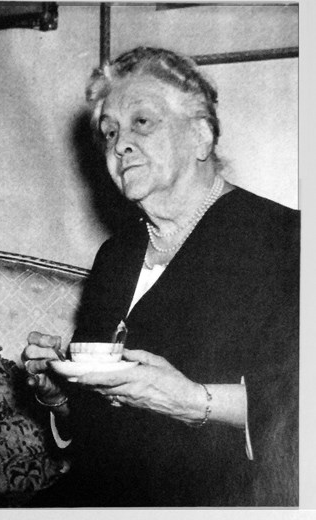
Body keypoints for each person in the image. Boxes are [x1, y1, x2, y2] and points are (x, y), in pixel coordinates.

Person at [22, 47, 299, 507]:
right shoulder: (115, 256)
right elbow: (105, 422)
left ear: (201, 137)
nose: (119, 144)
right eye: (108, 132)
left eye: (141, 123)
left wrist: (192, 401)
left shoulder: (287, 241)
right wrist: (59, 395)